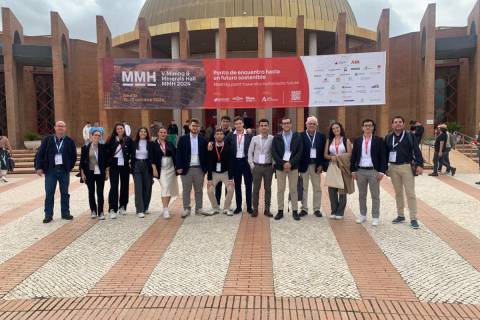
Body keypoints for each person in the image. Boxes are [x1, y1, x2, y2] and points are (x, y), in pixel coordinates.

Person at [385, 116, 424, 229]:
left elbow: (417, 151)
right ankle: (400, 215)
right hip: (393, 167)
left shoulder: (410, 136)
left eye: (400, 122)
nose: (398, 124)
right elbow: (385, 153)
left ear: (403, 124)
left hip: (406, 166)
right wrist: (385, 168)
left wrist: (420, 165)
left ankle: (413, 217)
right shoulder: (388, 137)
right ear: (392, 125)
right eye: (395, 122)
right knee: (398, 193)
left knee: (410, 193)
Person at [34, 121, 77, 223]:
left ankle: (65, 213)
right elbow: (40, 154)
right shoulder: (47, 140)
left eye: (62, 126)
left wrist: (68, 167)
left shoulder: (69, 141)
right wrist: (38, 167)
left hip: (63, 171)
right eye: (58, 126)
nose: (60, 128)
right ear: (55, 128)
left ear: (65, 128)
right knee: (49, 193)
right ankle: (48, 215)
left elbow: (74, 156)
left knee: (65, 193)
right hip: (50, 171)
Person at [350, 119, 387, 226]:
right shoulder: (357, 140)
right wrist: (353, 170)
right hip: (360, 171)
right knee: (362, 195)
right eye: (365, 125)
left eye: (370, 125)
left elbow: (383, 157)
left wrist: (381, 171)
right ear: (362, 127)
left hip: (373, 171)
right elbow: (353, 156)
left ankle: (375, 216)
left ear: (373, 127)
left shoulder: (379, 140)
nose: (367, 127)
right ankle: (362, 215)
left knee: (375, 195)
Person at [272, 116, 303, 220]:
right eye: (284, 123)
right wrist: (283, 163)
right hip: (280, 167)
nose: (286, 125)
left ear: (291, 124)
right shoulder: (277, 137)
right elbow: (274, 152)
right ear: (281, 125)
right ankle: (280, 211)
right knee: (280, 189)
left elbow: (300, 151)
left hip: (293, 167)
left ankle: (295, 211)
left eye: (288, 123)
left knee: (293, 189)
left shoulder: (297, 136)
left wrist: (290, 163)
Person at [176, 118, 208, 218]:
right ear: (189, 126)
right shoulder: (183, 139)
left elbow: (206, 154)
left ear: (199, 128)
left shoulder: (203, 139)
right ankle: (186, 208)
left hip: (199, 169)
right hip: (186, 168)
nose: (195, 128)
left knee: (199, 190)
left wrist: (205, 168)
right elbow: (178, 153)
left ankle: (199, 208)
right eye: (193, 126)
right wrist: (179, 166)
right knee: (186, 190)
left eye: (197, 126)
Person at [323, 122, 353, 220]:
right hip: (333, 166)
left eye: (337, 128)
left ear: (341, 128)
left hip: (343, 166)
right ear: (332, 131)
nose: (336, 130)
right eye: (333, 128)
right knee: (332, 189)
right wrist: (332, 158)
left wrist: (338, 157)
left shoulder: (346, 140)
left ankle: (340, 211)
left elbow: (349, 154)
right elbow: (325, 155)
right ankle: (334, 210)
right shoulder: (329, 140)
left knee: (342, 190)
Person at [298, 116, 327, 218]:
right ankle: (304, 209)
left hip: (316, 166)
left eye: (314, 124)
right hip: (304, 166)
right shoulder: (300, 135)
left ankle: (317, 209)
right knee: (304, 188)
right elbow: (297, 151)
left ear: (316, 125)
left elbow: (324, 152)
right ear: (306, 124)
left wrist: (321, 165)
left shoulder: (321, 136)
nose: (312, 125)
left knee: (317, 188)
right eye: (310, 123)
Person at [80, 128, 109, 220]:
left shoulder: (103, 147)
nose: (97, 137)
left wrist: (107, 172)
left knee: (100, 193)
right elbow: (82, 162)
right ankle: (93, 210)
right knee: (91, 192)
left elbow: (106, 161)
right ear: (91, 136)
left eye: (98, 135)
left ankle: (100, 212)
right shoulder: (85, 148)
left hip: (100, 173)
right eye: (95, 135)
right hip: (90, 173)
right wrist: (82, 174)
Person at [226, 116, 253, 214]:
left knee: (248, 185)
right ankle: (238, 207)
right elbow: (225, 148)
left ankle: (249, 206)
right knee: (237, 186)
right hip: (235, 163)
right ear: (234, 125)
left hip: (246, 163)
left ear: (243, 124)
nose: (238, 125)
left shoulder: (249, 135)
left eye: (240, 123)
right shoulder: (230, 135)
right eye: (236, 124)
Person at [248, 118, 274, 217]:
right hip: (257, 167)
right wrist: (252, 165)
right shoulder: (254, 139)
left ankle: (267, 209)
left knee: (268, 189)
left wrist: (273, 165)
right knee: (256, 189)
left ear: (268, 127)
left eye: (265, 125)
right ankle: (255, 209)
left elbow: (274, 152)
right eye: (262, 125)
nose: (263, 127)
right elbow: (250, 152)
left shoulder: (272, 138)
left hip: (268, 167)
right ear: (259, 127)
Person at [106, 122, 133, 219]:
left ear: (124, 129)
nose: (119, 130)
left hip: (124, 164)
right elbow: (107, 152)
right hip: (114, 164)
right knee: (114, 186)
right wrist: (107, 165)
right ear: (115, 130)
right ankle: (112, 208)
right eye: (118, 129)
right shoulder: (111, 139)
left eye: (121, 128)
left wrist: (130, 161)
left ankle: (123, 206)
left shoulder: (128, 140)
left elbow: (132, 152)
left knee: (125, 185)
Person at [151, 126, 178, 219]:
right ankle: (165, 209)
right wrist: (154, 168)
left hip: (171, 169)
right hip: (161, 169)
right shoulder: (153, 144)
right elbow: (151, 158)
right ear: (158, 133)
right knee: (165, 187)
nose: (163, 134)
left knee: (169, 189)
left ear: (167, 134)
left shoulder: (170, 143)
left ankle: (166, 207)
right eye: (161, 132)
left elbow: (176, 155)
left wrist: (177, 167)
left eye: (164, 132)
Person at [207, 128, 234, 215]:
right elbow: (209, 163)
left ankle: (226, 208)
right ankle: (215, 208)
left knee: (231, 189)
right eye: (217, 134)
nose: (219, 135)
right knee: (210, 190)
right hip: (214, 173)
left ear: (223, 136)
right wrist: (209, 179)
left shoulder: (228, 146)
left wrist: (230, 178)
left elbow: (230, 162)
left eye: (221, 134)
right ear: (214, 136)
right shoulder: (211, 147)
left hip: (225, 173)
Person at [209, 115, 232, 206]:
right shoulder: (215, 132)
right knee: (218, 187)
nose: (225, 123)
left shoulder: (232, 133)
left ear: (229, 123)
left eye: (227, 121)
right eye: (224, 121)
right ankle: (217, 203)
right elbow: (210, 142)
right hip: (216, 166)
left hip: (226, 165)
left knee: (228, 188)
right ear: (221, 122)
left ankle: (227, 205)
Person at [131, 127, 153, 218]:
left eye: (144, 132)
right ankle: (139, 210)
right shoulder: (134, 143)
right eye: (141, 131)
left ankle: (145, 207)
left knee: (147, 187)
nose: (143, 133)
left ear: (147, 133)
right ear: (138, 133)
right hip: (137, 165)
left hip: (147, 166)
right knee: (138, 188)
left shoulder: (150, 144)